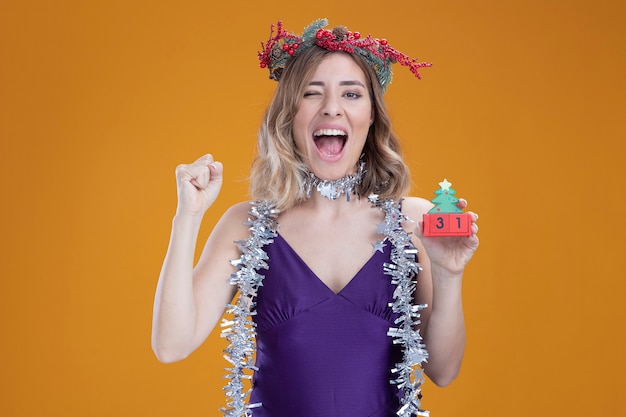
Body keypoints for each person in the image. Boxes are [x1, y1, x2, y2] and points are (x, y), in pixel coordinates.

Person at [151, 18, 479, 417]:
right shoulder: (248, 226)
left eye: (352, 94)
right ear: (290, 114)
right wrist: (187, 216)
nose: (331, 108)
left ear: (372, 115)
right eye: (312, 92)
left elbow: (443, 371)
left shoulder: (414, 221)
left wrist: (449, 275)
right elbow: (171, 345)